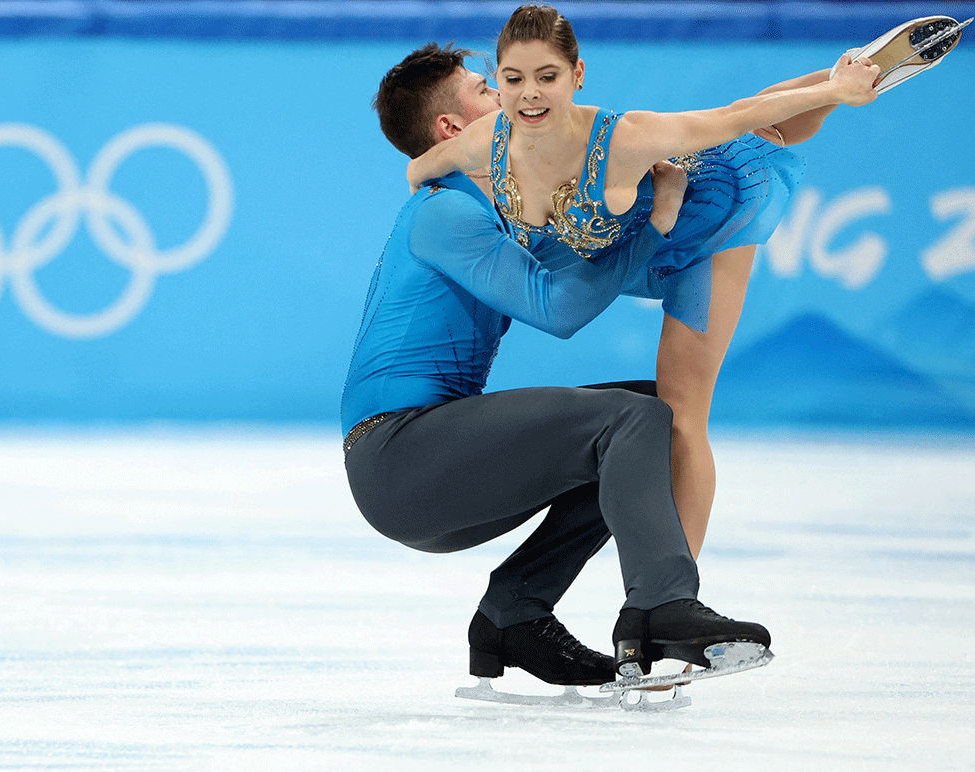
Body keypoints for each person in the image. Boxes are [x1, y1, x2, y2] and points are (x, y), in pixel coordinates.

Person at [406, 5, 941, 562]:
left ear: (577, 76)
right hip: (645, 244)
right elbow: (419, 169)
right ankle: (846, 75)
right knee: (761, 122)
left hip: (709, 216)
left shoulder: (625, 138)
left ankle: (674, 598)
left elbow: (738, 115)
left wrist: (838, 93)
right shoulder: (488, 141)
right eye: (512, 79)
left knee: (683, 410)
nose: (528, 95)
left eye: (547, 77)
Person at [342, 42, 770, 694]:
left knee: (649, 416)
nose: (512, 99)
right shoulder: (445, 213)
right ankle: (659, 604)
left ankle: (514, 612)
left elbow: (600, 273)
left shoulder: (502, 216)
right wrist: (655, 222)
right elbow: (559, 306)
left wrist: (685, 223)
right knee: (627, 423)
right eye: (488, 90)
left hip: (429, 466)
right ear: (453, 131)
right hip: (399, 460)